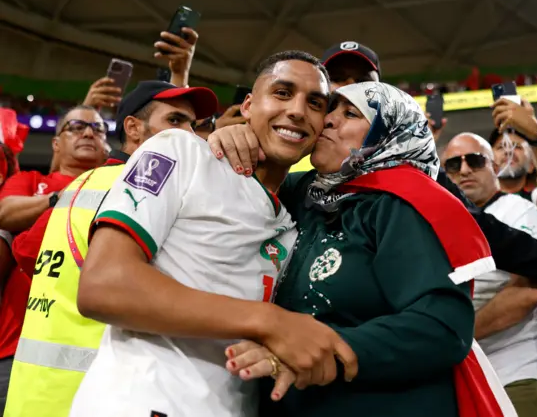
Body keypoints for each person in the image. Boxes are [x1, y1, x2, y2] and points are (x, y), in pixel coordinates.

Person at [209, 42, 537, 303]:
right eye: (337, 86)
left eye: (362, 85)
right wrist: (226, 137)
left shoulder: (414, 187)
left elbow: (490, 235)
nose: (348, 91)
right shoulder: (303, 165)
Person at [69, 51, 357, 417]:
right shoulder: (181, 150)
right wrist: (269, 321)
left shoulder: (293, 215)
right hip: (141, 401)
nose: (298, 110)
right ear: (249, 106)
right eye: (282, 93)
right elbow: (104, 285)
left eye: (315, 102)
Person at [222, 82, 515, 417]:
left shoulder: (404, 204)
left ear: (389, 133)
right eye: (329, 109)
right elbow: (249, 181)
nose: (327, 121)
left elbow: (441, 326)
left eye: (350, 113)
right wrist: (227, 138)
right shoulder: (308, 195)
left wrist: (322, 349)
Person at [3, 80, 218, 417]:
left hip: (34, 394)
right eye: (175, 123)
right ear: (133, 128)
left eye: (194, 126)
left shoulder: (81, 185)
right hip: (99, 396)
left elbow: (28, 254)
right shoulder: (149, 190)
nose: (189, 136)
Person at [442, 133, 537, 417]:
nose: (464, 170)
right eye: (452, 165)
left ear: (494, 166)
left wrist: (458, 336)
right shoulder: (446, 220)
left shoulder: (518, 210)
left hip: (521, 371)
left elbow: (528, 291)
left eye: (474, 161)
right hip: (470, 376)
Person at [0, 105, 107, 411]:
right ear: (56, 144)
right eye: (75, 126)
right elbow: (4, 213)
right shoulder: (33, 182)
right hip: (17, 347)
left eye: (97, 129)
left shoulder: (117, 187)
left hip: (89, 349)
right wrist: (63, 197)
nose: (88, 132)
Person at [488, 99, 537, 223]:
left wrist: (536, 134)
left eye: (517, 147)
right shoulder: (478, 202)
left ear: (532, 165)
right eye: (500, 147)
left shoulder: (536, 200)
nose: (509, 151)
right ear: (490, 162)